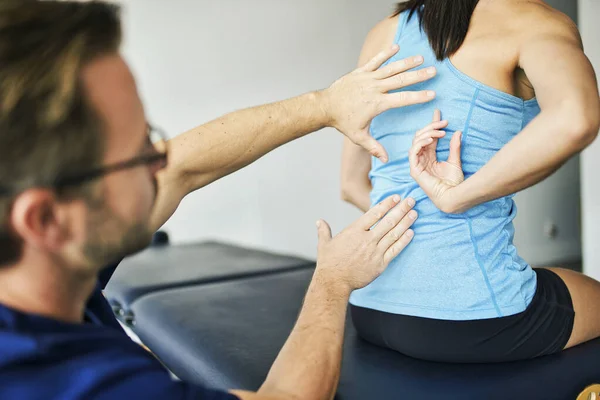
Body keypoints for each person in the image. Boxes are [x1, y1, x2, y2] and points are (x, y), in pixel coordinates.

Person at [0, 1, 438, 399]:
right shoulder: (60, 382)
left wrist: (326, 105)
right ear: (44, 220)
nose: (162, 159)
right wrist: (332, 282)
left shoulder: (38, 260)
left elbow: (180, 168)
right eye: (140, 154)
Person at [342, 0, 600, 363]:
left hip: (370, 306)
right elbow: (576, 117)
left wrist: (409, 225)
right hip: (472, 317)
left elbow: (351, 184)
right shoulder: (535, 21)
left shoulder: (383, 33)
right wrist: (456, 198)